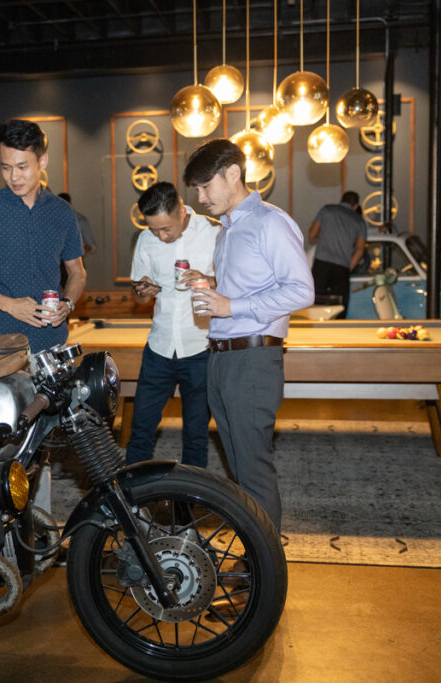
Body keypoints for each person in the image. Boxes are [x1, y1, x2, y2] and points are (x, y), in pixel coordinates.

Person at [185, 139, 314, 532]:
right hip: (222, 357)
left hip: (252, 360)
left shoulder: (270, 222)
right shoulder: (227, 229)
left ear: (234, 174)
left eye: (207, 187)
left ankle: (265, 566)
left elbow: (302, 290)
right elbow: (245, 288)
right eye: (197, 190)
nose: (201, 197)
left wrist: (230, 306)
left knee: (253, 470)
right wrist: (212, 283)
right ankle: (256, 556)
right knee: (239, 469)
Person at [0, 119, 86, 353]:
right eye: (6, 167)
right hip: (1, 347)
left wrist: (68, 303)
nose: (14, 177)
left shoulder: (62, 212)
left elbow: (77, 272)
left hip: (54, 345)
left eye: (22, 167)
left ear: (42, 161)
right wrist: (10, 306)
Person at [125, 181, 219, 469]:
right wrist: (143, 292)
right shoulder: (146, 239)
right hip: (159, 347)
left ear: (181, 210)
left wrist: (210, 280)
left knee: (196, 435)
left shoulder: (214, 232)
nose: (160, 235)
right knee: (140, 430)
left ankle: (191, 504)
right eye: (154, 229)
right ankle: (131, 500)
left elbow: (236, 285)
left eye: (165, 228)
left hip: (200, 347)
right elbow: (139, 294)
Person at [308, 191, 367, 317]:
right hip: (341, 268)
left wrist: (324, 235)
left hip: (321, 264)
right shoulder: (359, 221)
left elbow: (312, 234)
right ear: (356, 206)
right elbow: (360, 250)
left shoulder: (327, 210)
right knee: (340, 306)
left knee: (314, 302)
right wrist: (348, 267)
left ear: (341, 200)